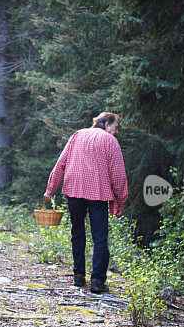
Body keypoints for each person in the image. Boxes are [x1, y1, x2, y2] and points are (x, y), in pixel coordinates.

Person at [44, 112, 128, 294]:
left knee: (77, 233)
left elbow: (61, 163)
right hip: (98, 193)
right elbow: (118, 176)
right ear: (106, 124)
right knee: (99, 237)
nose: (116, 132)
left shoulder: (77, 135)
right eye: (115, 127)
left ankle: (78, 277)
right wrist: (120, 202)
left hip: (74, 191)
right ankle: (97, 281)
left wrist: (50, 190)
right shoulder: (110, 141)